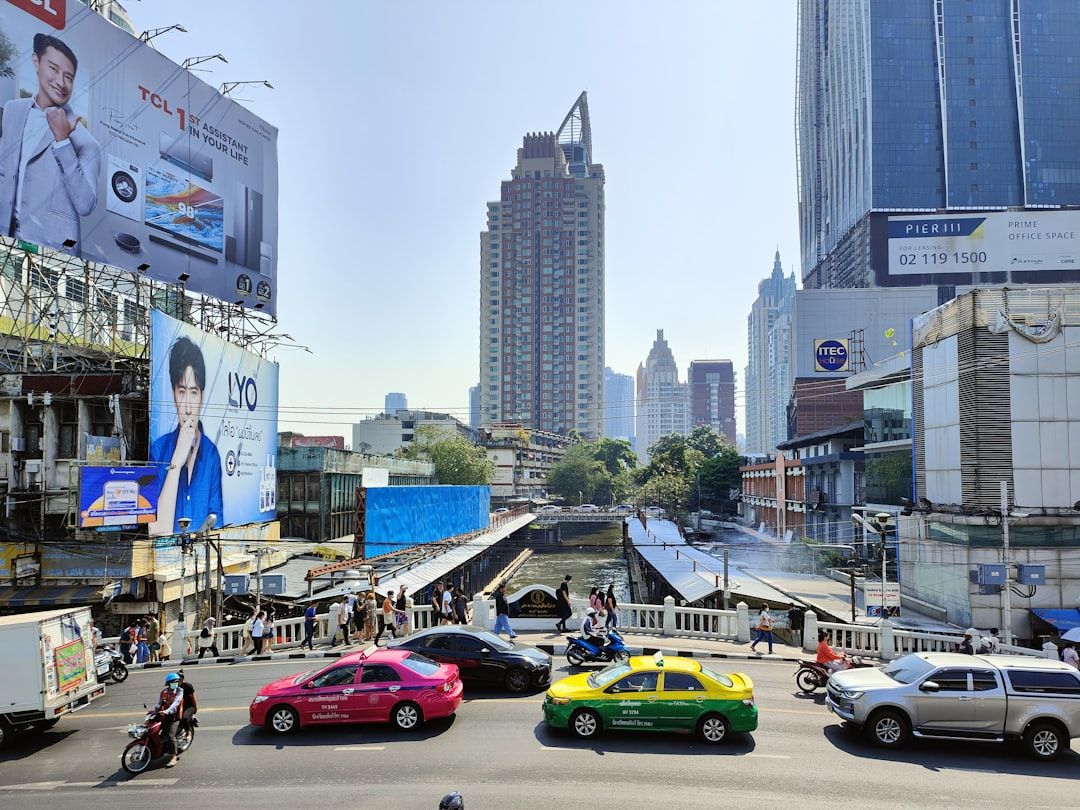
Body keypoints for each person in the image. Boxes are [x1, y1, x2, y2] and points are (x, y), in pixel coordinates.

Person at [0, 34, 102, 255]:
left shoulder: (87, 143)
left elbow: (86, 205)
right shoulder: (13, 110)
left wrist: (62, 141)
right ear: (36, 62)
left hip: (52, 256)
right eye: (53, 69)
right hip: (5, 238)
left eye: (69, 77)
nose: (61, 82)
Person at [148, 336, 224, 537]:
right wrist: (176, 463)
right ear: (173, 393)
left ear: (202, 395)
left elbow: (216, 523)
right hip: (163, 560)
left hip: (201, 561)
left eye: (194, 392)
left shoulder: (211, 454)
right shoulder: (158, 449)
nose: (188, 408)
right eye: (182, 392)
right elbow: (156, 531)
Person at [155, 673, 185, 768]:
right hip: (164, 714)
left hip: (174, 716)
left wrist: (167, 711)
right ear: (168, 683)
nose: (175, 684)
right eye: (173, 682)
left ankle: (173, 757)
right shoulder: (164, 692)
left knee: (170, 735)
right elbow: (159, 703)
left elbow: (175, 704)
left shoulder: (180, 691)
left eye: (176, 682)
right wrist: (155, 710)